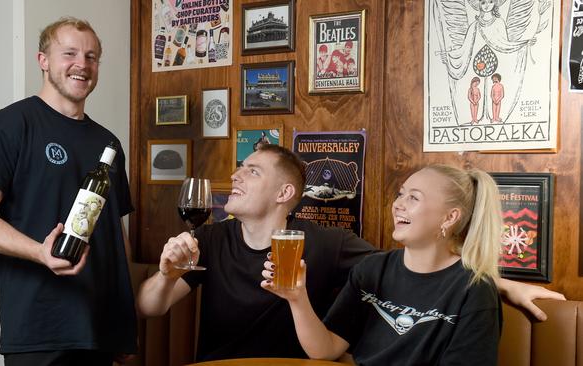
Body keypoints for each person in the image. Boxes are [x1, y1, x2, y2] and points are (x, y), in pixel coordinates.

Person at [138, 145, 564, 362]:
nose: (235, 176)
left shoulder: (329, 244)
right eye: (401, 195)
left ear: (285, 193)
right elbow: (149, 307)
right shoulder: (210, 240)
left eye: (252, 170)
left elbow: (429, 267)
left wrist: (497, 283)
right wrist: (167, 274)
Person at [0, 17, 136, 366]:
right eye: (69, 53)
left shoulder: (109, 144)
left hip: (100, 330)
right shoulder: (10, 125)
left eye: (91, 56)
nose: (82, 64)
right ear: (43, 60)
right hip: (39, 329)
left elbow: (117, 236)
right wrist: (40, 252)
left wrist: (123, 321)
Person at [261, 165, 509, 364]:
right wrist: (297, 298)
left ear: (450, 217)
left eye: (414, 198)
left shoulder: (474, 290)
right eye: (401, 194)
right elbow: (325, 350)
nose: (398, 204)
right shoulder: (372, 269)